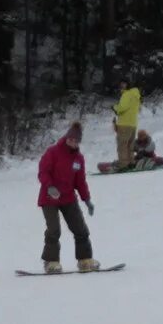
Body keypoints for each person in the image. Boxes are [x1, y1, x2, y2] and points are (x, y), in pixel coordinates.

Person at [37, 122, 98, 273]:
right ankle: (51, 262)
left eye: (76, 140)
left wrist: (87, 200)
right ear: (66, 138)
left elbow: (80, 182)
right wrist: (50, 186)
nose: (72, 142)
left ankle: (84, 260)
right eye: (70, 139)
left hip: (68, 198)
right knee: (54, 230)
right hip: (49, 197)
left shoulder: (78, 159)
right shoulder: (53, 152)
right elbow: (43, 172)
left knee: (80, 229)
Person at [112, 81, 144, 170]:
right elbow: (138, 109)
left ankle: (123, 164)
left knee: (122, 145)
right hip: (133, 124)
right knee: (130, 145)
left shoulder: (126, 94)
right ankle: (131, 162)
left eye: (123, 85)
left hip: (124, 124)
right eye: (121, 85)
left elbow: (121, 107)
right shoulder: (136, 95)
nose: (121, 87)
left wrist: (115, 107)